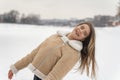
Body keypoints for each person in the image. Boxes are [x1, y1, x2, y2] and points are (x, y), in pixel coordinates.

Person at [8, 22, 97, 80]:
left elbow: (55, 76)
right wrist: (15, 67)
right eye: (81, 27)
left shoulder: (73, 53)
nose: (80, 31)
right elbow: (33, 54)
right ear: (77, 26)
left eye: (84, 33)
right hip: (36, 76)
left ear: (83, 39)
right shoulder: (55, 37)